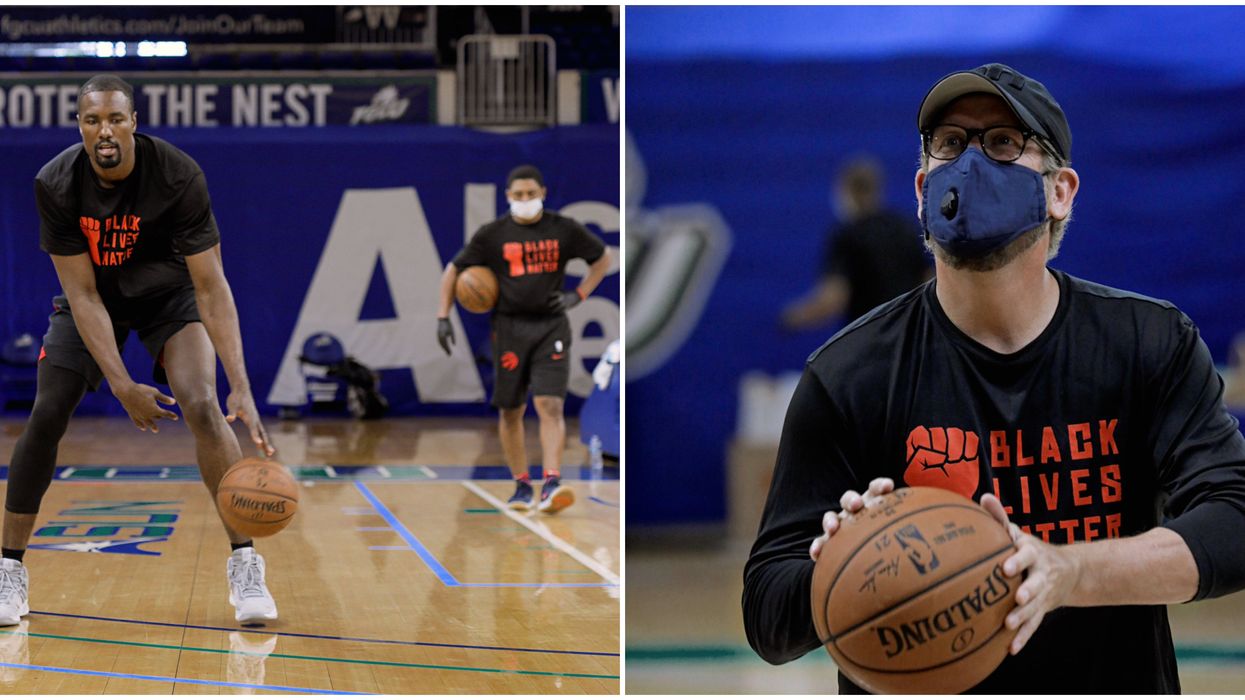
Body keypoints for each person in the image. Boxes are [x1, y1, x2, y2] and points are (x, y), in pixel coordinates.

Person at [743, 63, 1245, 693]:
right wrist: (848, 560)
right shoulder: (846, 375)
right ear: (924, 189)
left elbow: (1235, 520)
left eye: (1003, 142)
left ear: (1060, 191)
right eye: (951, 144)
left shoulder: (1149, 342)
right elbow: (766, 615)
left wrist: (1066, 571)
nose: (971, 163)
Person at [0, 75, 278, 627]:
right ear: (80, 125)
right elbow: (81, 294)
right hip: (94, 299)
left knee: (201, 403)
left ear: (134, 123)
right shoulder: (55, 183)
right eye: (91, 120)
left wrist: (239, 381)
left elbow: (211, 288)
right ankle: (9, 570)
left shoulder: (177, 175)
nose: (104, 130)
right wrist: (122, 384)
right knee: (48, 410)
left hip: (168, 295)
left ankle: (245, 563)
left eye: (115, 119)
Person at [436, 165, 611, 513]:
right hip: (510, 329)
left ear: (543, 193)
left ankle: (551, 482)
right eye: (518, 195)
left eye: (531, 194)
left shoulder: (563, 229)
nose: (525, 200)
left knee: (550, 405)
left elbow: (602, 259)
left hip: (551, 326)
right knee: (511, 410)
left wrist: (579, 295)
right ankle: (520, 484)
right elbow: (454, 270)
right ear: (508, 197)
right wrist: (443, 316)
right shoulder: (493, 234)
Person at [780, 158, 930, 330]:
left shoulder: (847, 235)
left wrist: (795, 317)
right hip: (909, 338)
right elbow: (928, 281)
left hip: (868, 341)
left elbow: (834, 298)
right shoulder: (906, 228)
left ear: (845, 191)